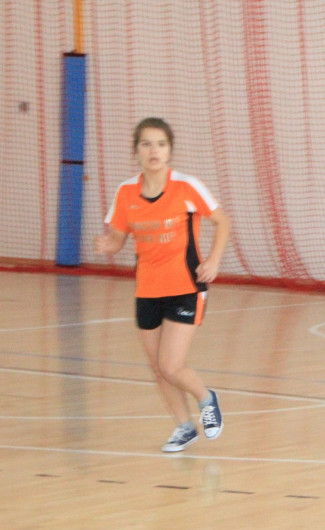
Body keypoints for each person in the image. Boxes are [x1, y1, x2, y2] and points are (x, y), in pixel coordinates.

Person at [95, 117, 231, 453]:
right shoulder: (126, 192)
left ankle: (206, 398)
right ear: (136, 150)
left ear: (170, 150)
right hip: (147, 289)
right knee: (158, 368)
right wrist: (108, 245)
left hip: (186, 286)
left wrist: (213, 261)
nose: (153, 151)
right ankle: (184, 427)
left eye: (160, 144)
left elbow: (222, 221)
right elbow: (118, 239)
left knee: (171, 364)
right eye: (146, 144)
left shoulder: (186, 186)